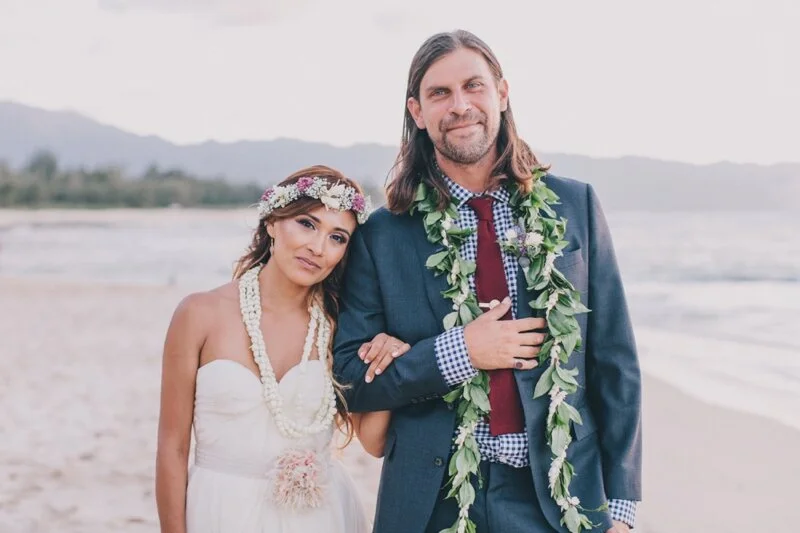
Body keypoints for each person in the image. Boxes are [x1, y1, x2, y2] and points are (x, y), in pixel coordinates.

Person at [333, 30, 642, 533]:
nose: (459, 106)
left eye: (473, 86)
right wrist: (457, 353)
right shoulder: (382, 234)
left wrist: (622, 509)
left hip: (560, 502)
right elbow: (348, 377)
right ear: (417, 111)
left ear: (501, 92)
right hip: (430, 502)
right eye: (439, 94)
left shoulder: (575, 206)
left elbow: (615, 361)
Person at [155, 165, 401, 533]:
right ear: (272, 221)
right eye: (307, 223)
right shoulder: (198, 314)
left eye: (338, 238)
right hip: (220, 512)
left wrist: (389, 360)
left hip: (319, 517)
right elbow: (172, 449)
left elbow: (373, 442)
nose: (318, 248)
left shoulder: (339, 327)